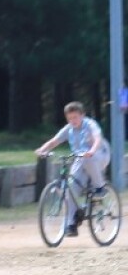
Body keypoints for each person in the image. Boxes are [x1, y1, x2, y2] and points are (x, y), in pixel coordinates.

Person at [35, 101, 112, 237]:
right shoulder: (68, 129)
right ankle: (71, 224)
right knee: (70, 188)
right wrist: (42, 149)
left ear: (82, 115)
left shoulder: (90, 125)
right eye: (70, 118)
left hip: (99, 154)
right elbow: (54, 141)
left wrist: (92, 150)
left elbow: (97, 138)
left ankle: (100, 187)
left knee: (88, 158)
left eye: (75, 117)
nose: (73, 121)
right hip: (80, 158)